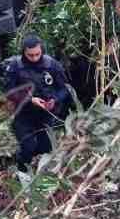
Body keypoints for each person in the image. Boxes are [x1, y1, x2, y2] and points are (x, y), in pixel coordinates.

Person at [4, 35, 71, 170]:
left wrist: (55, 99)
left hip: (46, 113)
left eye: (37, 54)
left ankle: (40, 176)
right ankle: (21, 173)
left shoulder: (52, 65)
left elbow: (65, 89)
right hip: (24, 114)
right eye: (30, 55)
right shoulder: (16, 66)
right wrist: (30, 100)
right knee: (28, 146)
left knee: (45, 148)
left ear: (42, 51)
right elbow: (9, 92)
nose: (34, 58)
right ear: (24, 52)